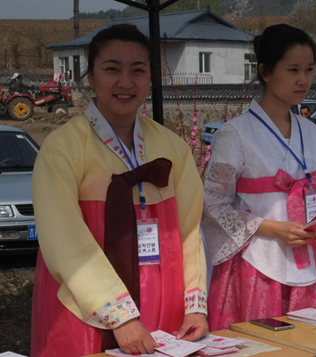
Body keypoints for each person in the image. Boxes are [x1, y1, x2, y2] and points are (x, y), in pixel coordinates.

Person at [31, 24, 208, 357]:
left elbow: (189, 232)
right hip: (87, 311)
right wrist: (120, 316)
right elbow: (64, 242)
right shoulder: (62, 149)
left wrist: (195, 304)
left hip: (164, 305)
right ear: (91, 78)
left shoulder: (172, 148)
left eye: (138, 71)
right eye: (112, 69)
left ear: (151, 79)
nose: (126, 82)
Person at [202, 24, 316, 331]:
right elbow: (212, 204)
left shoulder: (314, 133)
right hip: (257, 266)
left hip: (312, 265)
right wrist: (273, 228)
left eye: (309, 69)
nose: (303, 79)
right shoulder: (234, 134)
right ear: (265, 71)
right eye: (292, 69)